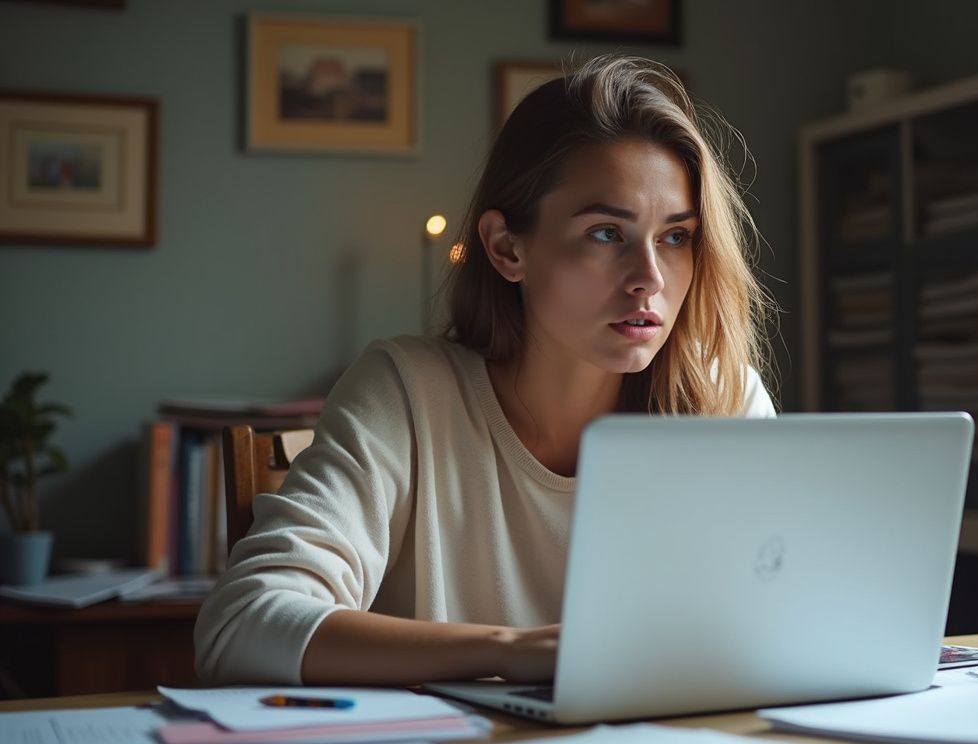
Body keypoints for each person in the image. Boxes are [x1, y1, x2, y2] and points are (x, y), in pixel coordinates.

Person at [194, 55, 777, 686]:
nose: (650, 279)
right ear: (507, 248)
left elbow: (790, 622)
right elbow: (241, 627)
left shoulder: (723, 399)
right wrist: (509, 650)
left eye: (675, 237)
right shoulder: (408, 393)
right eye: (607, 233)